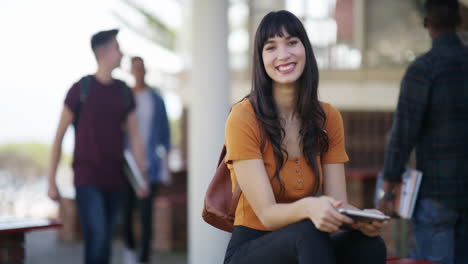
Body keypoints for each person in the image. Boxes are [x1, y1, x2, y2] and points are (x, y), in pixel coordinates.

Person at [223, 10, 387, 264]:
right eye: (271, 47)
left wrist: (361, 219)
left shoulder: (327, 117)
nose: (283, 54)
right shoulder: (244, 116)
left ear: (306, 50)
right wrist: (310, 208)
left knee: (369, 245)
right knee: (308, 231)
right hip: (253, 248)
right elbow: (267, 214)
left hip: (307, 241)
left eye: (291, 42)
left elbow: (337, 204)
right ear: (261, 59)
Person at [47, 29, 149, 264]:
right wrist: (52, 181)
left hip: (116, 181)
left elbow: (135, 137)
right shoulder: (80, 89)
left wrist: (141, 178)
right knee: (98, 235)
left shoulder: (124, 91)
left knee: (103, 241)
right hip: (87, 178)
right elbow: (59, 136)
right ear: (103, 52)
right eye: (117, 47)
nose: (121, 53)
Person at [378, 1, 468, 264]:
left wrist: (387, 192)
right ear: (459, 22)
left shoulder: (422, 70)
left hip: (435, 193)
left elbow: (402, 135)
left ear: (426, 24)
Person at [122, 56, 171, 264]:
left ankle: (144, 258)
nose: (139, 72)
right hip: (125, 166)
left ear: (145, 71)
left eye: (142, 68)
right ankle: (130, 251)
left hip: (148, 167)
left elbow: (165, 136)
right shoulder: (124, 98)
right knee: (125, 214)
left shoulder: (156, 100)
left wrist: (165, 168)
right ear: (131, 71)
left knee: (145, 215)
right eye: (135, 68)